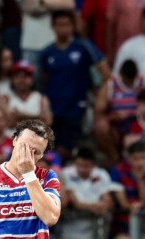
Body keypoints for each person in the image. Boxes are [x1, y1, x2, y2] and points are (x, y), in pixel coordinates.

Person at [40, 9, 109, 156]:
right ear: (53, 26)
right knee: (52, 149)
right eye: (60, 25)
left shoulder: (84, 47)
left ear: (73, 26)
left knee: (67, 149)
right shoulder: (47, 53)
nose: (63, 29)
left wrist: (98, 94)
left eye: (67, 25)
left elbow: (105, 72)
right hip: (54, 108)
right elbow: (44, 79)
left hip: (77, 107)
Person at [58, 148, 112, 239]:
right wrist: (95, 207)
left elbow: (107, 199)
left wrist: (103, 205)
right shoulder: (66, 173)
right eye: (79, 165)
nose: (82, 169)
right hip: (69, 233)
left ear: (93, 165)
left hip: (92, 234)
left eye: (86, 166)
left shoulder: (101, 175)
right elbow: (74, 202)